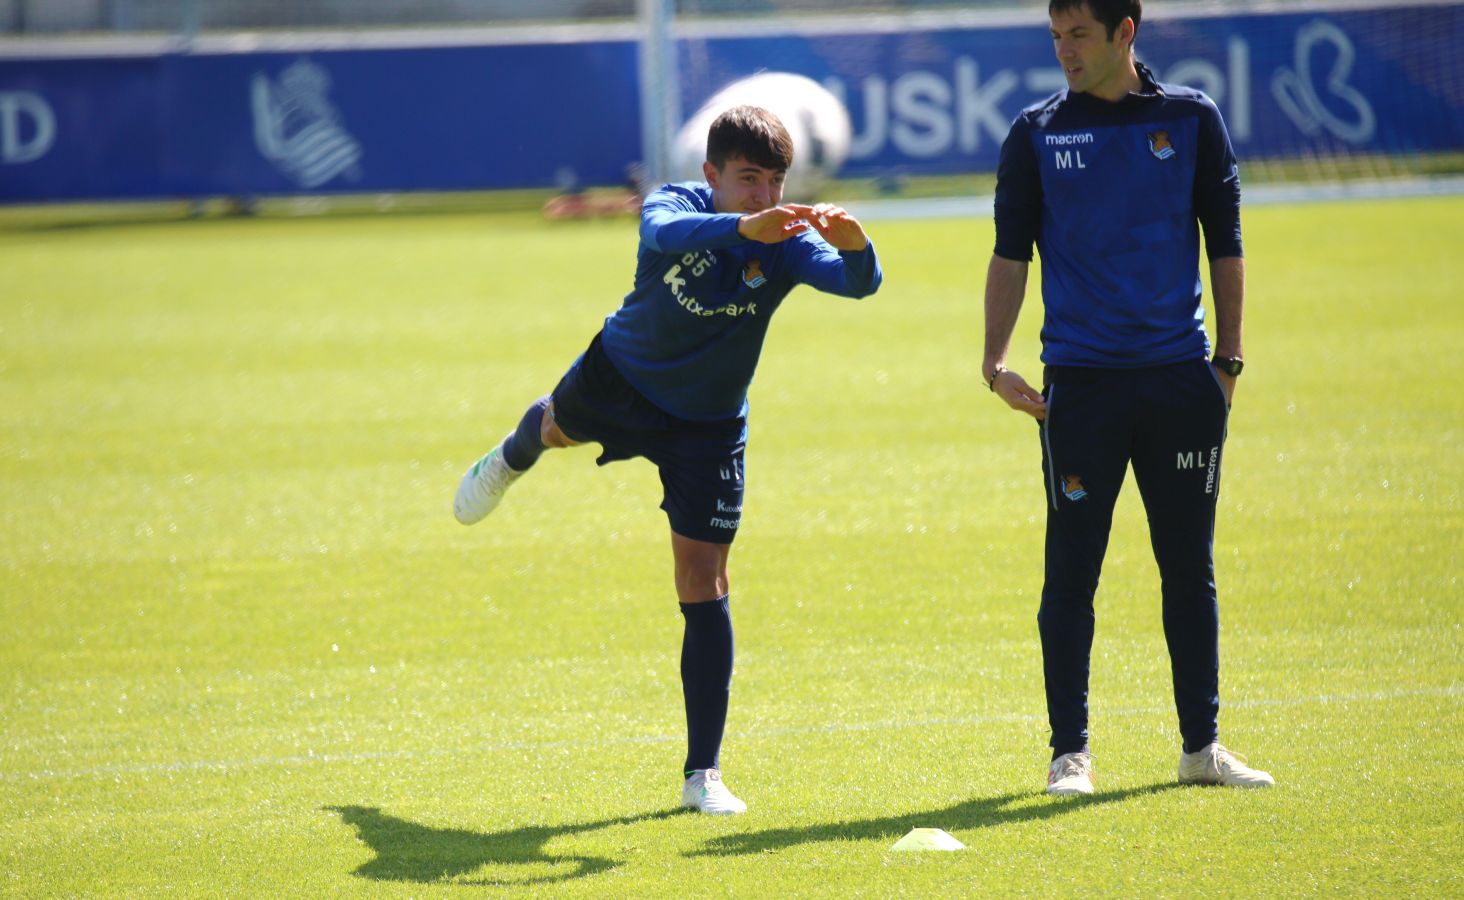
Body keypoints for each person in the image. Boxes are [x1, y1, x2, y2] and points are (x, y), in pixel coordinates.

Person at [452, 105, 882, 815]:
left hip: (708, 424)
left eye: (774, 182)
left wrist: (859, 245)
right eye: (748, 179)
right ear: (711, 174)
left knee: (703, 578)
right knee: (556, 429)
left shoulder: (784, 241)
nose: (765, 197)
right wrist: (743, 227)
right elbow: (663, 232)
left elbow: (858, 285)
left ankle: (702, 776)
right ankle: (511, 454)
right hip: (621, 377)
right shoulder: (677, 203)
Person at [982, 0, 1274, 796]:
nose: (1064, 51)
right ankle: (1070, 754)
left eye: (1079, 35)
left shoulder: (1190, 119)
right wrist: (993, 361)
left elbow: (1228, 242)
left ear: (1125, 33)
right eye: (1056, 37)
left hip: (1181, 380)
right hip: (1080, 386)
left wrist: (1229, 364)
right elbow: (1011, 255)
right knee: (1072, 572)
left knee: (1189, 567)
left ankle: (1201, 749)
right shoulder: (1036, 133)